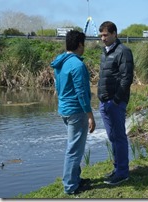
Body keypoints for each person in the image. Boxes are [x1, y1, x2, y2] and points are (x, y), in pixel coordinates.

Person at [50, 30, 96, 194]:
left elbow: (58, 87)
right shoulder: (77, 65)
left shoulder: (60, 62)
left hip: (64, 109)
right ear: (79, 45)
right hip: (76, 111)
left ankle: (75, 179)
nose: (84, 47)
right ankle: (71, 186)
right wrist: (90, 115)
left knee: (73, 146)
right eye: (84, 44)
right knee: (74, 149)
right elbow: (82, 93)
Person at [97, 21, 134, 185]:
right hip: (104, 102)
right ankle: (117, 167)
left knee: (119, 137)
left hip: (115, 102)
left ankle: (122, 173)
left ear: (114, 34)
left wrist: (116, 100)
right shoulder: (104, 52)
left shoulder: (123, 51)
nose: (103, 38)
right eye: (101, 35)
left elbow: (127, 78)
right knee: (112, 137)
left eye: (105, 35)